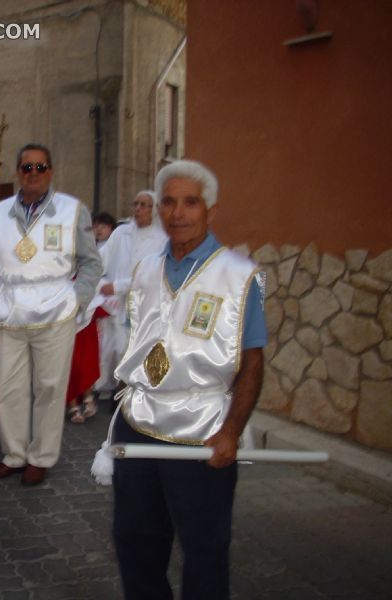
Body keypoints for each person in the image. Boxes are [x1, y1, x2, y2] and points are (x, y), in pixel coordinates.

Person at [111, 160, 266, 600]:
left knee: (204, 550)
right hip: (138, 425)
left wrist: (232, 431)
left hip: (202, 433)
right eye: (169, 202)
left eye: (191, 202)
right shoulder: (143, 271)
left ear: (210, 211)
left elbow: (252, 363)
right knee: (136, 544)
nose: (178, 213)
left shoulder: (240, 276)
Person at [0, 143, 102, 486]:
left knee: (49, 388)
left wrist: (76, 300)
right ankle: (14, 454)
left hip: (55, 311)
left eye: (40, 167)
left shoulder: (72, 210)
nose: (33, 173)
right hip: (9, 312)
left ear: (50, 171)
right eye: (26, 167)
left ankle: (41, 456)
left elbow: (92, 262)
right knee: (6, 387)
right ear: (18, 172)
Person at [94, 190, 167, 404]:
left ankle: (127, 391)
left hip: (144, 303)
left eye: (144, 205)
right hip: (116, 304)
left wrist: (117, 286)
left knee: (134, 349)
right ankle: (110, 387)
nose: (138, 209)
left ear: (154, 210)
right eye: (135, 204)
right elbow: (102, 259)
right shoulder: (121, 233)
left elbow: (153, 275)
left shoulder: (162, 240)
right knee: (113, 347)